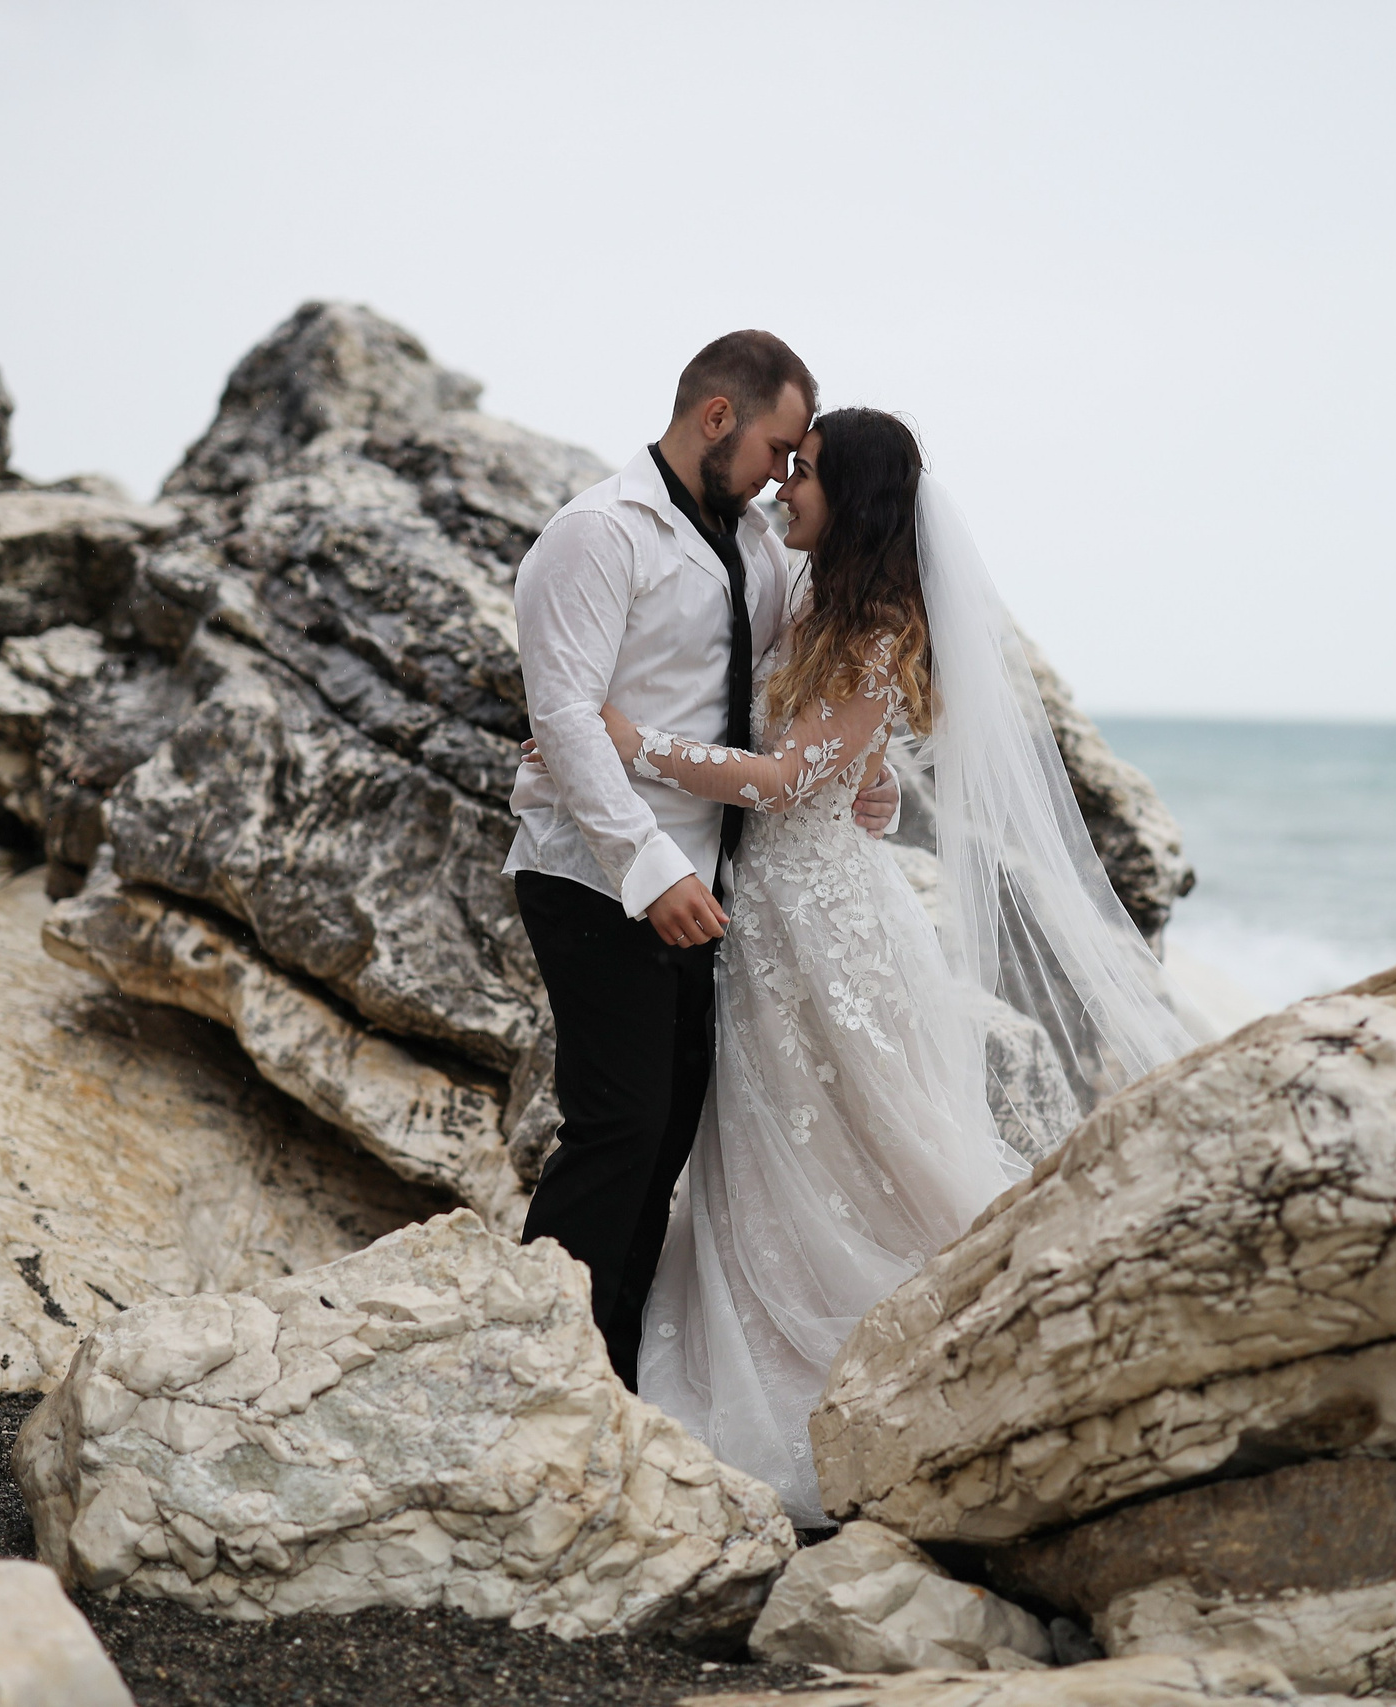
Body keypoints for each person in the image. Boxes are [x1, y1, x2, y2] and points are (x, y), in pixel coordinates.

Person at [546, 407, 1209, 1524]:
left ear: (849, 499)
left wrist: (633, 744)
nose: (778, 490)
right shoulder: (806, 602)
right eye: (782, 465)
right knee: (765, 1151)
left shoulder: (874, 628)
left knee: (878, 1148)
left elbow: (777, 778)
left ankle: (936, 1366)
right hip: (762, 918)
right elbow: (850, 769)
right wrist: (875, 782)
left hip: (826, 929)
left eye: (799, 475)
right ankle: (736, 1347)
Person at [506, 332, 901, 1393]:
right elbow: (568, 715)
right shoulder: (597, 534)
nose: (783, 475)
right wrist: (649, 868)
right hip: (597, 872)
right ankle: (532, 1367)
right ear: (718, 418)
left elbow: (797, 712)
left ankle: (615, 1375)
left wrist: (867, 774)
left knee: (669, 1137)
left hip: (715, 887)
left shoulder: (758, 553)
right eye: (778, 448)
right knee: (617, 1125)